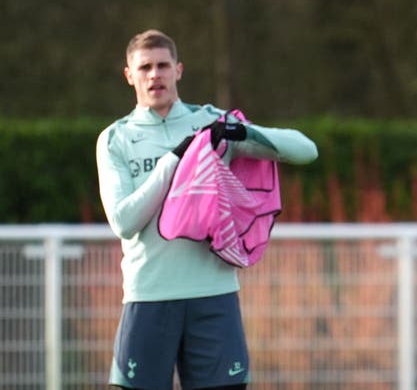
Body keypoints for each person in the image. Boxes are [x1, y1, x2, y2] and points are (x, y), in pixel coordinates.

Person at [96, 29, 318, 390]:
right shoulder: (114, 138)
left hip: (213, 297)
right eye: (146, 67)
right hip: (149, 298)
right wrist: (172, 163)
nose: (155, 75)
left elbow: (306, 150)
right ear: (129, 75)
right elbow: (124, 221)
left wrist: (241, 133)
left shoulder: (212, 123)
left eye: (163, 65)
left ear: (179, 70)